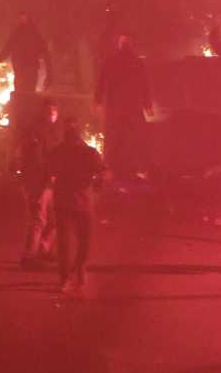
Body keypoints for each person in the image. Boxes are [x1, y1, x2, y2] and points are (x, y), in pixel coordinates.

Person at [48, 119, 106, 292]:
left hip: (63, 200)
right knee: (83, 240)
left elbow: (48, 171)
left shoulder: (57, 151)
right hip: (82, 201)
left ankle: (66, 278)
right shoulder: (89, 152)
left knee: (64, 242)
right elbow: (102, 172)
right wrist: (97, 186)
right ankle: (78, 270)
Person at [95, 33, 154, 177]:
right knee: (137, 136)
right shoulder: (136, 62)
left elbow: (101, 82)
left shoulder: (111, 61)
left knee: (113, 136)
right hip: (132, 106)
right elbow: (144, 85)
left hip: (115, 107)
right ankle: (140, 167)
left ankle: (110, 166)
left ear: (119, 46)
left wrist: (98, 101)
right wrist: (147, 105)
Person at [15, 98, 64, 265]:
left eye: (54, 111)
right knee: (38, 219)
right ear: (42, 112)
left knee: (54, 219)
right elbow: (36, 159)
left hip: (50, 182)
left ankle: (43, 249)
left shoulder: (55, 132)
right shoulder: (36, 131)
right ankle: (29, 256)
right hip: (37, 181)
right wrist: (48, 176)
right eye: (49, 111)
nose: (52, 114)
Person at [0, 12, 51, 99]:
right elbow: (6, 49)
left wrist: (49, 74)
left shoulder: (35, 34)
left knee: (29, 94)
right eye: (21, 17)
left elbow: (46, 54)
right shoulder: (17, 34)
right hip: (20, 69)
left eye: (24, 17)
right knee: (19, 94)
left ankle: (27, 111)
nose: (22, 19)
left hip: (31, 70)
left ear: (29, 18)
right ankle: (19, 111)